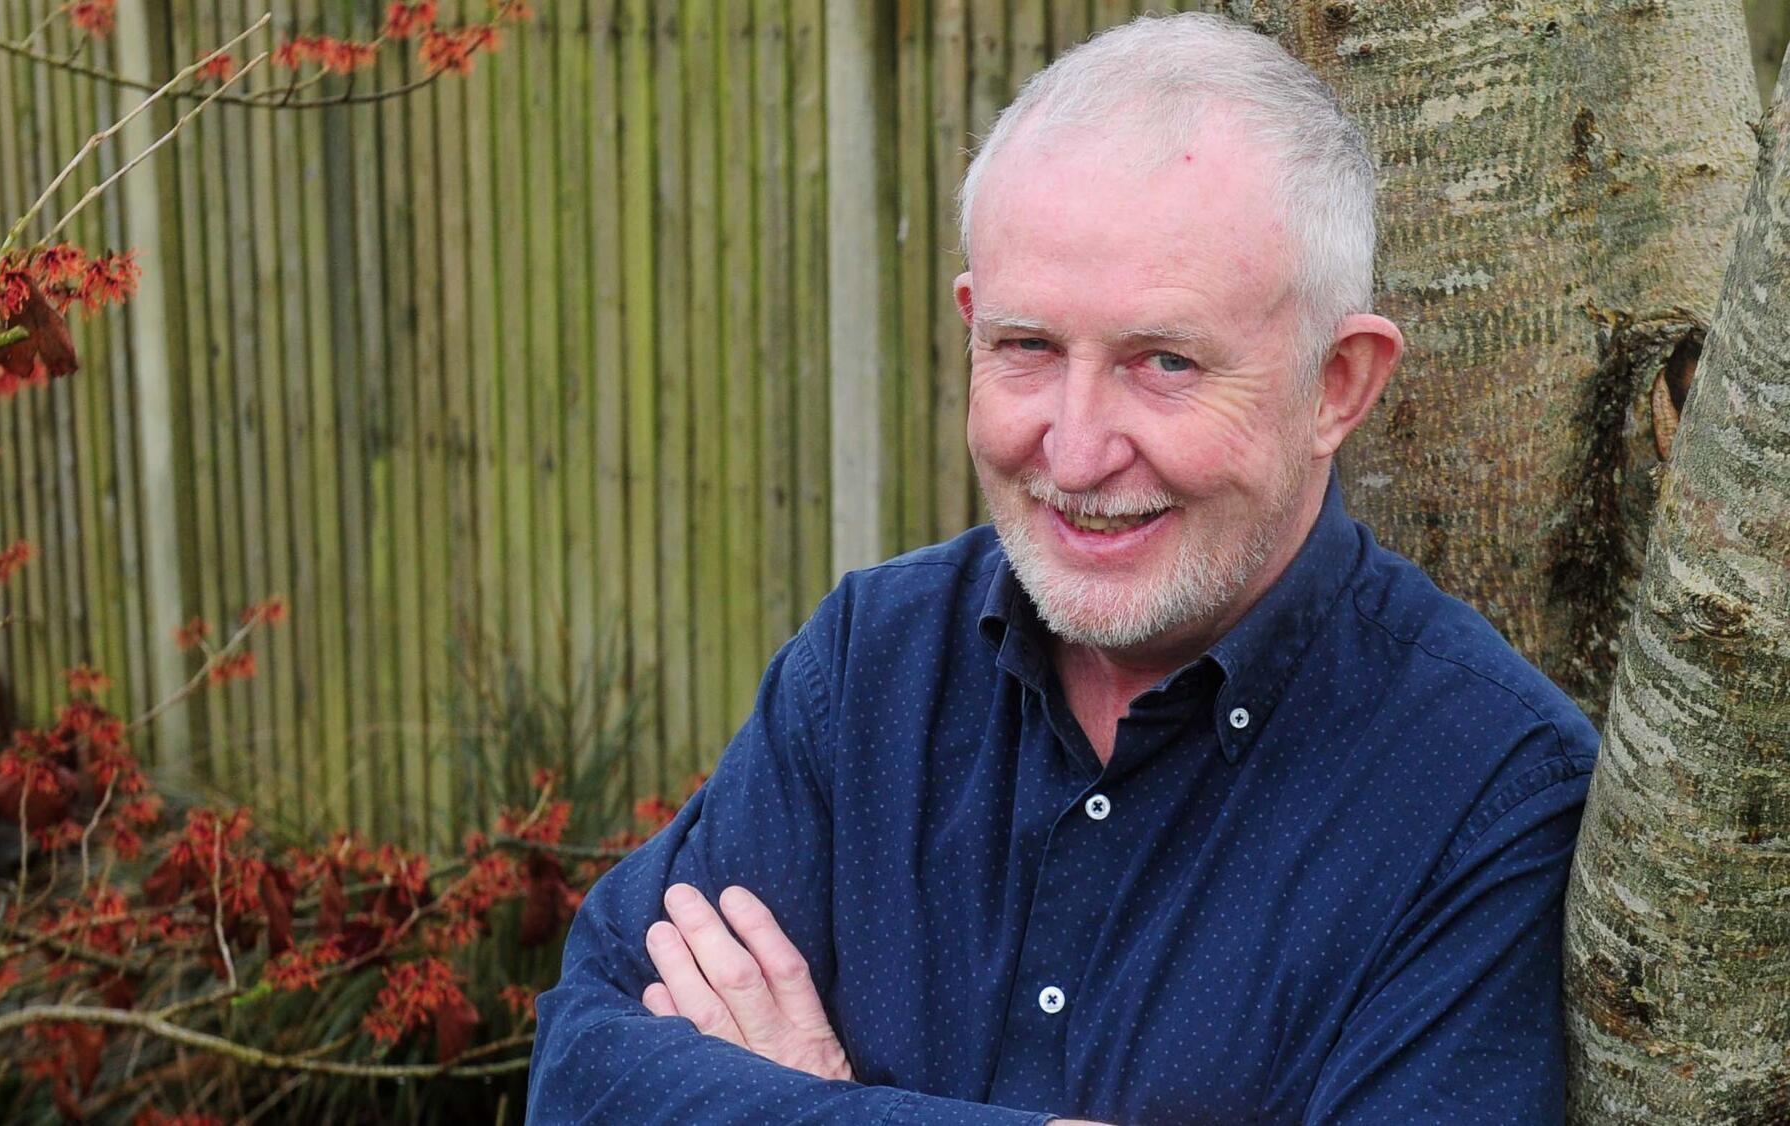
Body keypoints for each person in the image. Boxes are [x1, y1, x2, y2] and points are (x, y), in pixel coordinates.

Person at [528, 12, 1596, 1124]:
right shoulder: (868, 669)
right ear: (970, 326)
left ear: (1338, 384)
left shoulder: (1483, 797)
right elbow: (581, 1077)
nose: (1077, 453)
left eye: (1165, 362)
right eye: (1028, 347)